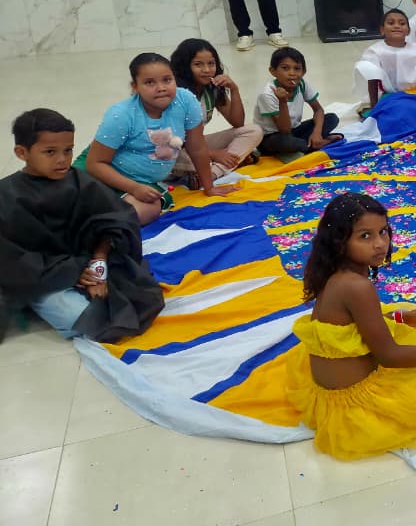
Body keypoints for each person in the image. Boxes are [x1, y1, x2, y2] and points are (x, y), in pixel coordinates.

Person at [285, 193, 416, 460]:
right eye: (365, 236)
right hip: (359, 410)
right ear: (340, 241)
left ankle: (413, 325)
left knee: (403, 314)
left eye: (383, 232)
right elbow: (390, 356)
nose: (380, 244)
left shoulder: (333, 272)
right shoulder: (356, 286)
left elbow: (351, 329)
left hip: (329, 396)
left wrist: (403, 319)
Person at [0, 109, 164, 341]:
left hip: (87, 263)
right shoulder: (7, 196)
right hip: (41, 276)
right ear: (21, 152)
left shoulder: (80, 182)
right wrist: (73, 273)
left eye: (68, 150)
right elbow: (13, 259)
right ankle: (36, 301)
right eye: (50, 152)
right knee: (81, 318)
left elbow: (114, 221)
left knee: (141, 298)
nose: (62, 160)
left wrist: (99, 263)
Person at [78, 53, 236, 225]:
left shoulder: (186, 101)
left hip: (141, 183)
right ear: (135, 87)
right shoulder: (121, 115)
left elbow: (197, 148)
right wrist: (134, 188)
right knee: (71, 204)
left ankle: (97, 225)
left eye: (167, 80)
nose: (161, 87)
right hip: (100, 175)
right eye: (149, 82)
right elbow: (95, 164)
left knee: (148, 209)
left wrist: (209, 187)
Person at [170, 38, 263, 183]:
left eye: (211, 63)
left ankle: (211, 174)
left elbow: (238, 122)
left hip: (197, 146)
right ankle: (222, 166)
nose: (207, 70)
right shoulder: (177, 94)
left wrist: (234, 89)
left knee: (253, 131)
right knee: (176, 157)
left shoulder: (211, 87)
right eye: (198, 64)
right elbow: (175, 142)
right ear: (185, 67)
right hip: (175, 149)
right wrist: (213, 154)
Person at [355, 9, 416, 110]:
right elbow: (373, 79)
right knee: (396, 114)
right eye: (391, 23)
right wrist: (374, 106)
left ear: (408, 31)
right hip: (389, 96)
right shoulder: (375, 51)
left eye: (402, 23)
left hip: (413, 93)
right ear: (382, 30)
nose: (397, 26)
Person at [255, 47, 342, 156]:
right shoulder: (267, 93)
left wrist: (317, 133)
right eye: (285, 68)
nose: (292, 73)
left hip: (294, 130)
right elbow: (284, 130)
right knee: (289, 143)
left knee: (332, 118)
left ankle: (314, 142)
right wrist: (282, 101)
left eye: (297, 68)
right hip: (271, 137)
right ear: (273, 71)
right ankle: (319, 143)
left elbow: (318, 109)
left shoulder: (301, 84)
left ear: (303, 72)